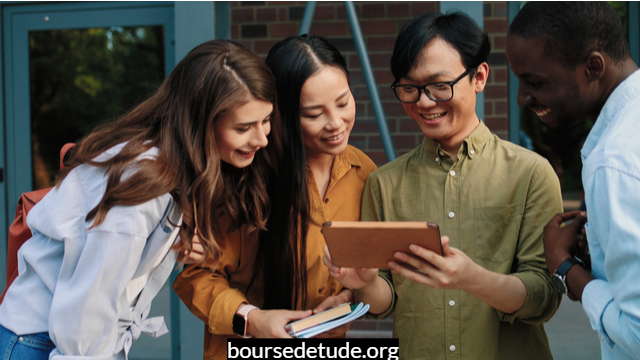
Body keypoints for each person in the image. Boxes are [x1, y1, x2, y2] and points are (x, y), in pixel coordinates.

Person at [0, 39, 281, 359]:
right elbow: (88, 310)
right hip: (44, 342)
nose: (261, 138)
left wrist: (171, 240)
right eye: (244, 127)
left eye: (266, 120)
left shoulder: (165, 161)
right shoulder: (144, 187)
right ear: (201, 122)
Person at [324, 11, 563, 359]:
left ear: (479, 76)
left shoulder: (531, 174)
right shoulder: (383, 184)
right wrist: (367, 284)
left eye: (439, 85)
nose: (423, 101)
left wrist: (471, 278)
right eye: (409, 88)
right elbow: (385, 301)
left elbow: (544, 295)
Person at [174, 35, 377, 359]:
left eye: (342, 102)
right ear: (278, 113)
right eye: (313, 114)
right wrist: (252, 319)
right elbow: (198, 276)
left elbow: (365, 270)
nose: (336, 123)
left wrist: (346, 298)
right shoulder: (249, 177)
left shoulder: (364, 172)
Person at [506, 2, 640, 359]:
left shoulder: (615, 162)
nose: (522, 97)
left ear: (593, 67)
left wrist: (565, 268)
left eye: (535, 82)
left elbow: (636, 332)